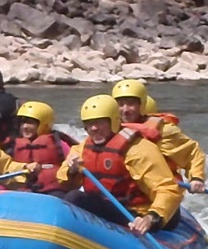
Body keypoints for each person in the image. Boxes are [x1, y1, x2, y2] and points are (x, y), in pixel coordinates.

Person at [56, 94, 182, 235]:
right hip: (111, 207)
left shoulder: (138, 149)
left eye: (99, 122)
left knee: (75, 198)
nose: (94, 128)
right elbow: (64, 182)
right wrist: (71, 171)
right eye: (89, 123)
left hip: (139, 213)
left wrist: (150, 218)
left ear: (114, 121)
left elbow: (167, 188)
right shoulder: (83, 147)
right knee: (72, 197)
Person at [111, 79, 207, 194]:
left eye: (131, 104)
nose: (125, 110)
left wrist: (196, 178)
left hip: (159, 196)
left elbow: (192, 153)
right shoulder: (106, 130)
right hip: (122, 195)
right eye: (120, 105)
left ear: (141, 105)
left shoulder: (164, 131)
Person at [10, 101, 72, 197]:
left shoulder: (58, 142)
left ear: (44, 124)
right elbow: (6, 166)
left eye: (30, 123)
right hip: (23, 190)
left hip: (52, 190)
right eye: (22, 123)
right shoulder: (14, 144)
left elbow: (72, 159)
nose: (25, 127)